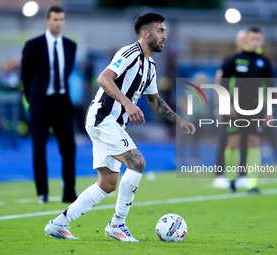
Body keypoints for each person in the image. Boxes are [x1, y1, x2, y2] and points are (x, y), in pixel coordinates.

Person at [44, 13, 195, 242]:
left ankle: (58, 224)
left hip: (113, 124)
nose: (165, 35)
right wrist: (127, 103)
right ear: (145, 33)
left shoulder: (151, 66)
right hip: (103, 118)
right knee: (137, 162)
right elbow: (104, 78)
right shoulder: (129, 53)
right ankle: (117, 224)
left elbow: (154, 100)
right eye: (160, 31)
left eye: (165, 31)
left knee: (107, 184)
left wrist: (180, 121)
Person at [21, 5, 77, 204]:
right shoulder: (33, 45)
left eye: (61, 19)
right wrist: (32, 100)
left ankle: (69, 192)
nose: (58, 23)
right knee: (39, 150)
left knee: (69, 148)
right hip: (41, 104)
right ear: (47, 21)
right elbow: (25, 77)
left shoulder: (71, 46)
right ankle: (42, 193)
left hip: (62, 102)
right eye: (55, 19)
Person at [216, 27, 273, 193]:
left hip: (256, 109)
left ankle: (252, 183)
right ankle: (232, 179)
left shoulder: (265, 62)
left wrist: (269, 111)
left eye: (258, 39)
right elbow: (223, 84)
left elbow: (270, 88)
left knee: (254, 142)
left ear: (261, 41)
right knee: (233, 143)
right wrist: (227, 105)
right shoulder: (234, 60)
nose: (255, 42)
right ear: (246, 41)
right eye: (252, 39)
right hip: (235, 109)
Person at [212, 30, 247, 189]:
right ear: (238, 42)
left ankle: (242, 174)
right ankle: (220, 173)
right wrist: (220, 105)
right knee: (226, 139)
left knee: (245, 139)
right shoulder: (231, 61)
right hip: (230, 107)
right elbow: (219, 81)